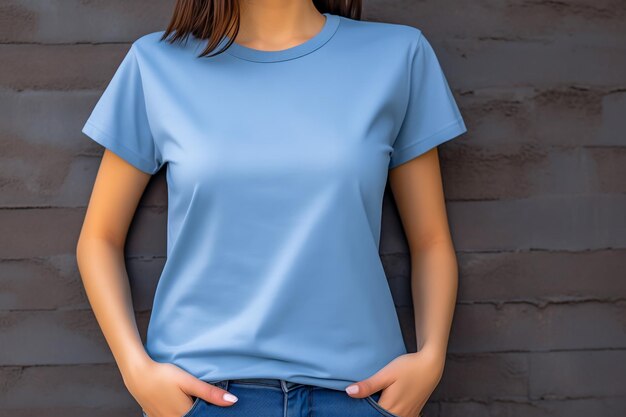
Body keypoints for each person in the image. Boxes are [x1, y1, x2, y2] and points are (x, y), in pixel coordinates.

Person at [76, 1, 467, 417]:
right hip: (203, 395)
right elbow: (99, 239)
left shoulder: (398, 55)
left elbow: (430, 240)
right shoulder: (156, 63)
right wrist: (136, 371)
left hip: (360, 394)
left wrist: (431, 360)